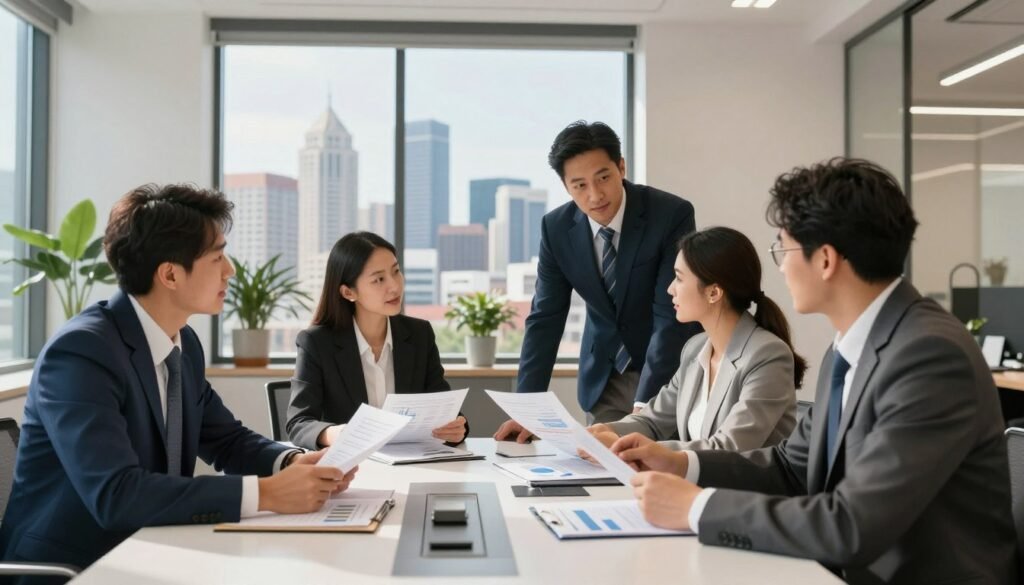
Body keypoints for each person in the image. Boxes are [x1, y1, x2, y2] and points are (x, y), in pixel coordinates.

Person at [615, 158, 1018, 585]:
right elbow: (791, 468)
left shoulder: (929, 355)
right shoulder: (847, 348)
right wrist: (681, 464)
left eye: (783, 249)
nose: (781, 266)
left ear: (825, 260)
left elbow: (852, 525)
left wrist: (696, 508)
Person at [0, 184, 355, 574]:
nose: (230, 270)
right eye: (218, 256)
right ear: (169, 274)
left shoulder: (181, 342)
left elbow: (225, 439)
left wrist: (293, 462)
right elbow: (115, 495)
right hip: (74, 568)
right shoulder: (82, 352)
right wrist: (267, 493)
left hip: (153, 548)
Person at [495, 121, 700, 441]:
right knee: (602, 468)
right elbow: (545, 318)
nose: (595, 195)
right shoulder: (556, 228)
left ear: (621, 167)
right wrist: (527, 411)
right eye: (579, 185)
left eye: (603, 177)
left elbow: (669, 316)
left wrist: (645, 406)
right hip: (605, 375)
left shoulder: (669, 214)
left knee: (661, 469)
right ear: (565, 186)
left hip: (668, 369)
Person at [589, 226, 802, 454]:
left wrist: (641, 449)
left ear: (714, 293)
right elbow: (652, 421)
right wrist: (601, 431)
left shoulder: (767, 355)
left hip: (749, 489)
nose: (670, 289)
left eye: (679, 279)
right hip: (699, 485)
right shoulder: (696, 348)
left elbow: (728, 448)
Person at [287, 232, 466, 450]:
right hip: (351, 468)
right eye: (379, 279)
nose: (395, 286)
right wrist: (334, 433)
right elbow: (299, 423)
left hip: (412, 464)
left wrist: (457, 429)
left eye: (396, 271)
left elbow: (442, 406)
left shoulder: (419, 334)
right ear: (348, 292)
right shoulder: (316, 343)